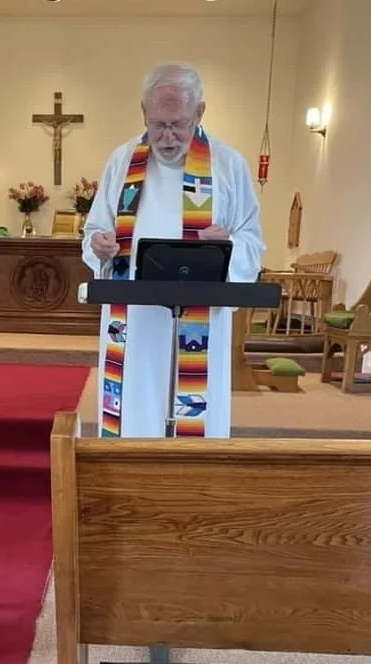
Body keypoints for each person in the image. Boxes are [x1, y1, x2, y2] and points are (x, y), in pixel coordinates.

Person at [82, 61, 265, 442]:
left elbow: (252, 238)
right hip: (134, 321)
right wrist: (99, 243)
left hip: (200, 319)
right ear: (144, 113)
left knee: (194, 420)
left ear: (199, 113)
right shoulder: (122, 160)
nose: (166, 138)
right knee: (135, 410)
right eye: (158, 125)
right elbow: (96, 229)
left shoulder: (228, 165)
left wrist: (228, 246)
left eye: (177, 124)